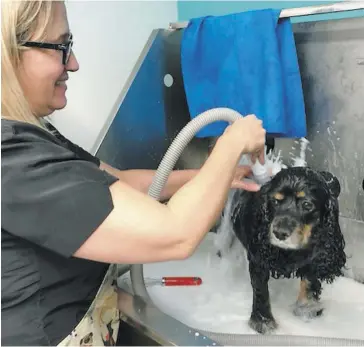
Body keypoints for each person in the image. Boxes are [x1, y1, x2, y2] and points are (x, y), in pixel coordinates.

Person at [1, 1, 266, 346]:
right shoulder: (11, 155)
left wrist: (210, 176)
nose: (74, 63)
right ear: (9, 52)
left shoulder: (34, 133)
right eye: (61, 47)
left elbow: (120, 184)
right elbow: (177, 233)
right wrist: (232, 144)